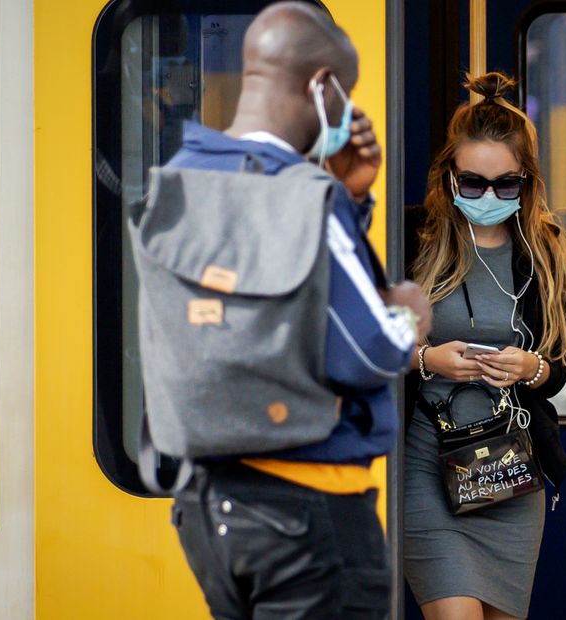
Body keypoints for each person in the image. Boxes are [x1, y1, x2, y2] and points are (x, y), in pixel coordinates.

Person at [163, 3, 430, 619]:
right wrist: (411, 311)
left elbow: (261, 293)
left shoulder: (185, 175)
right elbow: (371, 353)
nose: (343, 116)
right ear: (319, 85)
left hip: (211, 508)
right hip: (309, 516)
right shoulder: (305, 200)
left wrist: (347, 197)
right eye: (345, 96)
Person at [403, 72, 566, 620]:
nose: (489, 196)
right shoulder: (414, 237)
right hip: (426, 463)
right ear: (449, 177)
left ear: (527, 182)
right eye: (472, 183)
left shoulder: (542, 249)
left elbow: (560, 367)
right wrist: (427, 359)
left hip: (507, 474)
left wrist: (530, 367)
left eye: (506, 185)